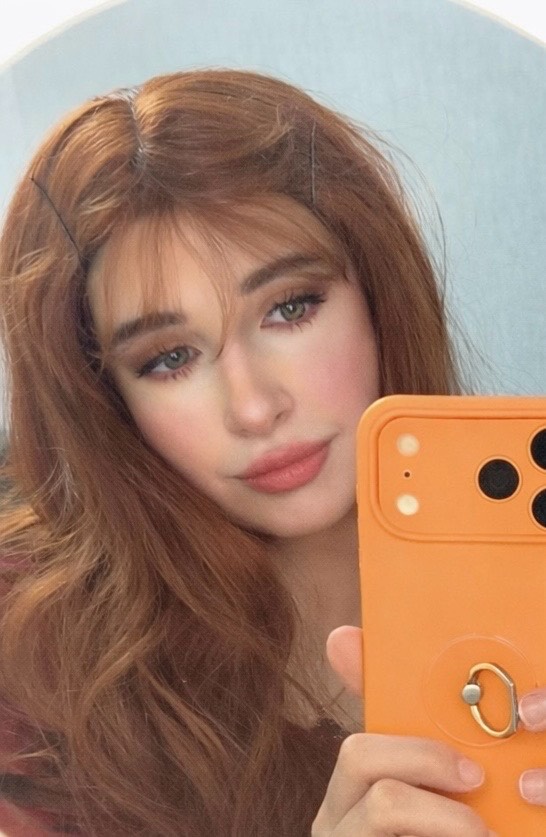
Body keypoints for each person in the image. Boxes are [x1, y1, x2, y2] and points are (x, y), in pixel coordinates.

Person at [0, 68, 543, 837]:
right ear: (106, 398)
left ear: (378, 293)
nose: (255, 406)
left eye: (290, 308)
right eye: (168, 358)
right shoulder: (29, 666)